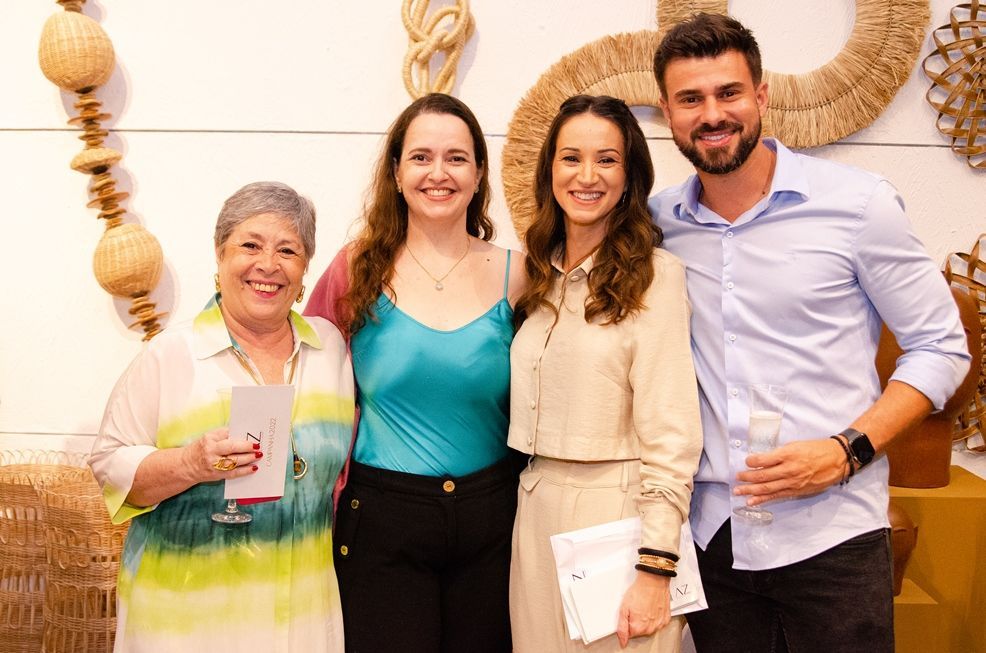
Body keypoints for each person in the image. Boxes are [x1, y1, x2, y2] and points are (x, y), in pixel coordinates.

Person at [649, 13, 972, 653]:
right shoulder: (658, 225)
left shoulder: (858, 205)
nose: (712, 114)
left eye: (728, 92)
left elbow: (941, 347)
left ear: (762, 95)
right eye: (690, 99)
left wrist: (847, 449)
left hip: (833, 537)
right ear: (667, 113)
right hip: (714, 537)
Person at [89, 181, 354, 652]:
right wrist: (189, 463)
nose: (268, 265)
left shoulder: (329, 349)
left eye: (287, 250)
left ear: (305, 268)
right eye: (250, 245)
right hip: (188, 621)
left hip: (302, 616)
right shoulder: (172, 354)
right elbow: (110, 468)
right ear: (219, 254)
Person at [304, 92, 526, 653]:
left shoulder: (520, 275)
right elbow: (300, 375)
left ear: (479, 174)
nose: (438, 173)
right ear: (397, 172)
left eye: (457, 158)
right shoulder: (356, 269)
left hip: (493, 520)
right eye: (421, 157)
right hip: (382, 520)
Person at [508, 94, 703, 652]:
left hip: (619, 515)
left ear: (630, 175)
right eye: (571, 158)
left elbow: (672, 433)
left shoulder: (656, 277)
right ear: (550, 170)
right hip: (535, 505)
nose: (587, 176)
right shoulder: (538, 273)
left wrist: (656, 566)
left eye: (607, 160)